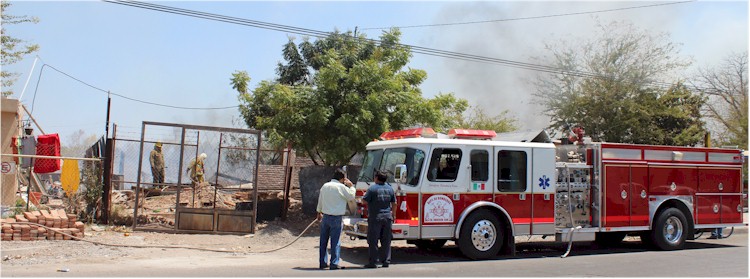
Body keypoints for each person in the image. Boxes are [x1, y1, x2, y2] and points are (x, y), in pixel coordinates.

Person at [316, 168, 355, 270]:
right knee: (335, 241)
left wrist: (319, 212)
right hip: (336, 218)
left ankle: (322, 262)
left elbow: (320, 200)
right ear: (342, 178)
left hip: (325, 216)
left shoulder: (325, 186)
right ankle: (334, 263)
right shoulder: (341, 187)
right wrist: (351, 186)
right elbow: (351, 196)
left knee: (323, 241)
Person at [362, 170, 396, 268]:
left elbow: (364, 201)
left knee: (373, 240)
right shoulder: (390, 189)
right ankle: (386, 261)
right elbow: (394, 203)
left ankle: (373, 262)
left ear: (376, 178)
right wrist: (393, 215)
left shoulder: (372, 189)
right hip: (387, 217)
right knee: (386, 240)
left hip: (375, 218)